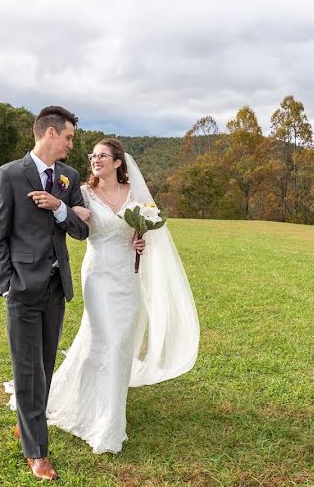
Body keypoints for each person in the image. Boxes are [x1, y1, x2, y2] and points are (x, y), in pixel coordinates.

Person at [43, 137, 200, 454]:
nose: (95, 160)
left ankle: (109, 414)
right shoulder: (84, 193)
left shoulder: (136, 196)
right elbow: (76, 227)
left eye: (102, 155)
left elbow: (150, 232)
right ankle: (102, 421)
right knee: (106, 341)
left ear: (118, 162)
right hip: (98, 275)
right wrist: (69, 209)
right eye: (93, 156)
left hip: (129, 276)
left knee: (121, 343)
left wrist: (141, 241)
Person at [0, 105, 89, 481]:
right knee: (27, 369)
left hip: (55, 287)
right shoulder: (9, 175)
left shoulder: (68, 177)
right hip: (22, 289)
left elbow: (81, 232)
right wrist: (7, 284)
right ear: (49, 134)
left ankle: (26, 425)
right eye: (68, 138)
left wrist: (61, 207)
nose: (70, 145)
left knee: (44, 368)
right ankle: (37, 452)